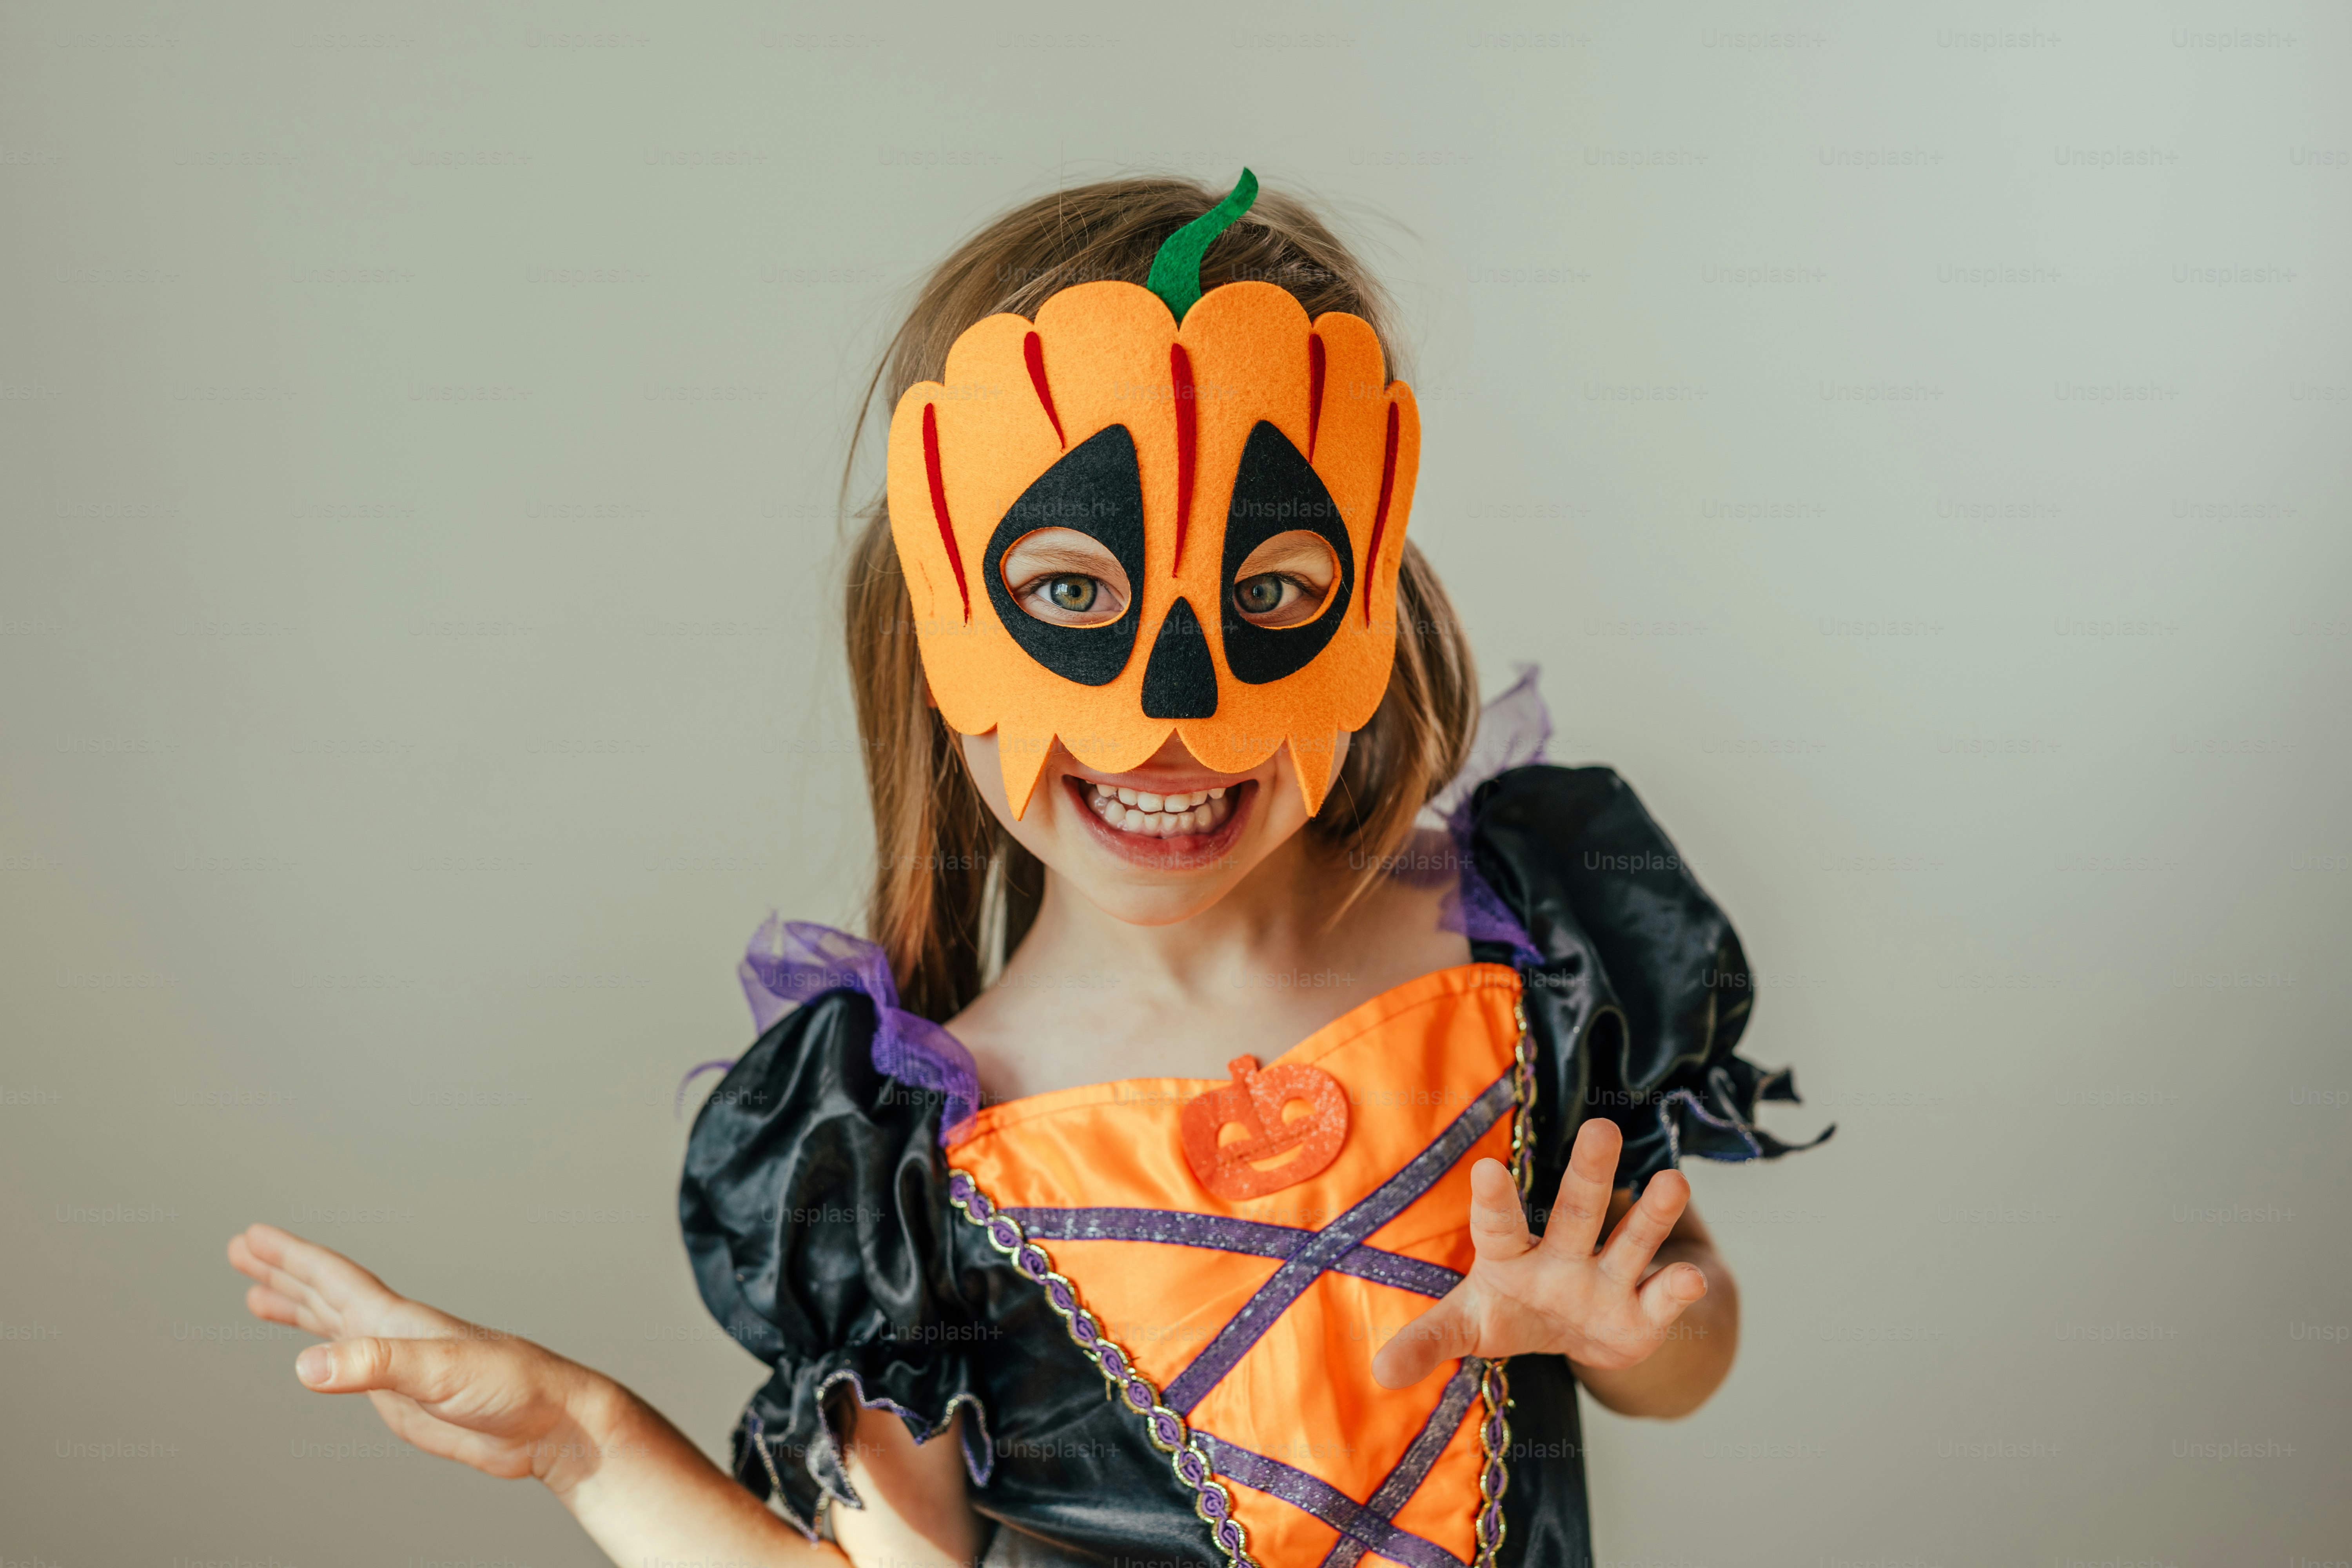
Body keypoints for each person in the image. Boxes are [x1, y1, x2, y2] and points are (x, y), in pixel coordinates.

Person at [227, 171, 1823, 1568]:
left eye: (1272, 590)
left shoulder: (1528, 949)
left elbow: (1686, 1332)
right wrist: (582, 1433)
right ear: (940, 626)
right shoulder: (905, 1154)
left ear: (1367, 606)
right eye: (1071, 594)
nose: (1171, 712)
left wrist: (1622, 1335)